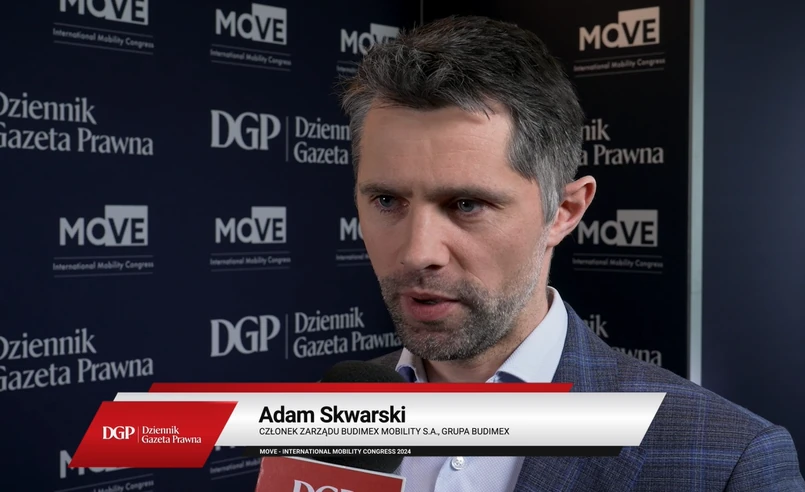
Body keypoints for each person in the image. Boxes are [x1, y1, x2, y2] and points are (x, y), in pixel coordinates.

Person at [336, 14, 805, 492]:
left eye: (466, 205)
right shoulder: (330, 415)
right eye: (387, 201)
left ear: (563, 212)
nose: (418, 252)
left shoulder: (731, 464)